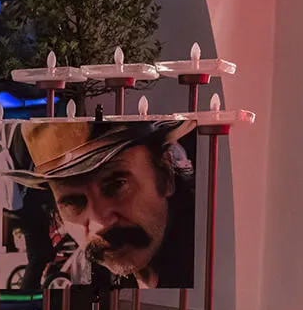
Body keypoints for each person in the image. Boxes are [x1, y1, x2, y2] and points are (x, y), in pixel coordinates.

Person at [12, 118, 197, 290]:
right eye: (73, 202)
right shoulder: (83, 275)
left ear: (165, 177)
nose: (99, 223)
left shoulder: (205, 263)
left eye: (117, 186)